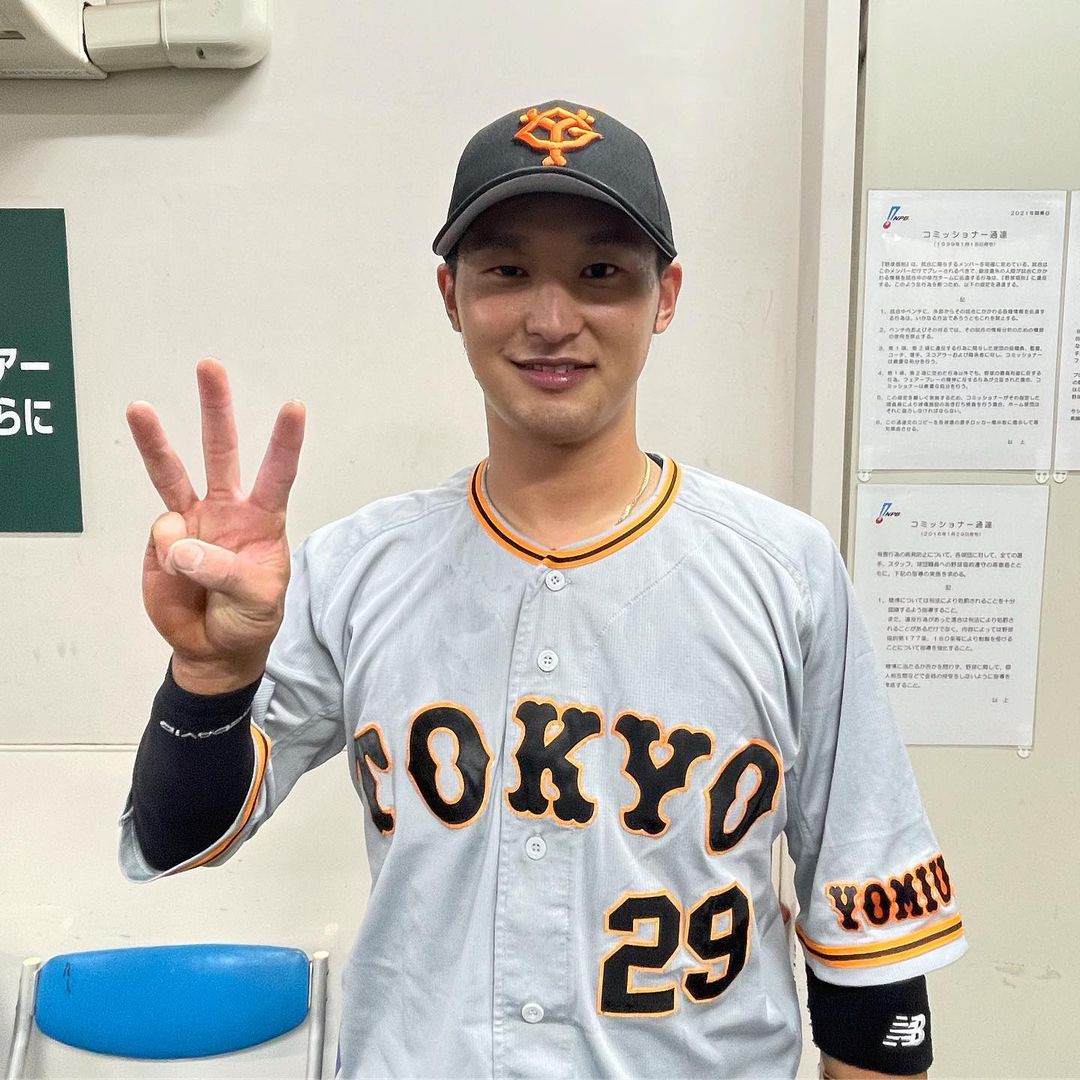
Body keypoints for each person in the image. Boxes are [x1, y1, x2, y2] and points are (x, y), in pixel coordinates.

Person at [121, 100, 966, 1079]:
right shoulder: (354, 567)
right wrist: (209, 676)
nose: (552, 320)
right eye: (508, 271)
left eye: (601, 272)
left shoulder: (787, 570)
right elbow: (180, 839)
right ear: (451, 293)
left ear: (665, 295)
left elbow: (871, 949)